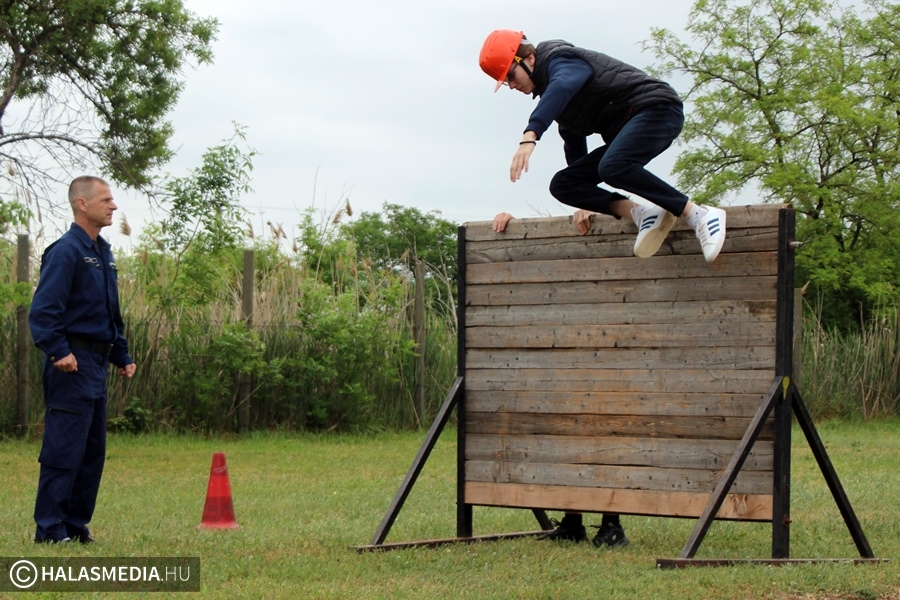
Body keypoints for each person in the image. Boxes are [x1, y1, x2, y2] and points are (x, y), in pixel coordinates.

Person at [479, 29, 727, 262]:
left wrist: (530, 136)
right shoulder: (555, 98)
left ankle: (700, 215)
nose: (512, 85)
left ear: (529, 58)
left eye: (511, 76)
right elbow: (573, 146)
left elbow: (563, 85)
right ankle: (643, 215)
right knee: (564, 184)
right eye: (506, 82)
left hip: (657, 110)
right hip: (633, 124)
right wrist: (587, 200)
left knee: (613, 166)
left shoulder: (560, 59)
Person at [29, 175, 136, 544]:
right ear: (82, 204)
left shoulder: (103, 252)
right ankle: (49, 529)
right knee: (64, 447)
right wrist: (58, 350)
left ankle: (74, 525)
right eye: (106, 200)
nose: (114, 206)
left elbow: (108, 311)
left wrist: (120, 353)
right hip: (71, 363)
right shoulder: (66, 251)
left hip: (97, 363)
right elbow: (44, 310)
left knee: (91, 451)